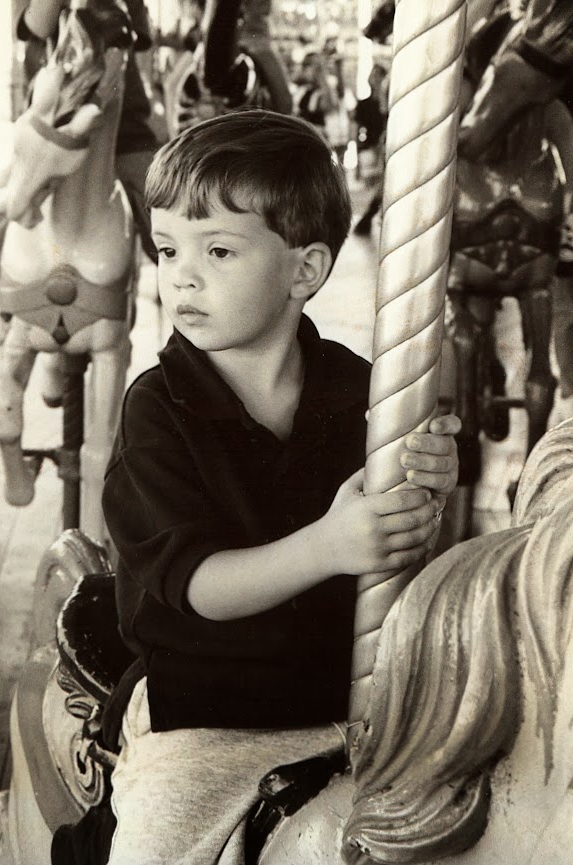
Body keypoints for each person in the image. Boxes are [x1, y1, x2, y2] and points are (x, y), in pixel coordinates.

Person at [98, 109, 461, 864]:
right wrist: (328, 545)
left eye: (218, 250)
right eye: (167, 249)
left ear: (304, 272)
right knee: (162, 837)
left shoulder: (367, 394)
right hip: (207, 717)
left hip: (350, 700)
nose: (181, 275)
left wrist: (426, 489)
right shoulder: (157, 409)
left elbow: (404, 552)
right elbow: (197, 585)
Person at [0, 0, 160, 404]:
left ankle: (197, 351)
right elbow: (37, 24)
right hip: (53, 136)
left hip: (124, 136)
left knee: (169, 221)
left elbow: (137, 32)